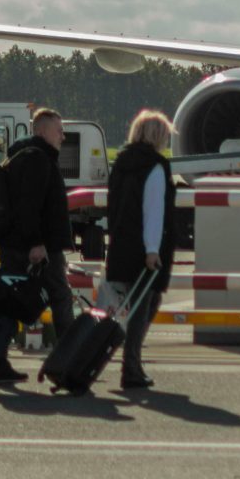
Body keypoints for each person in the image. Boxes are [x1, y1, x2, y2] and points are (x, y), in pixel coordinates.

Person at [0, 106, 78, 381]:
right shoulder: (38, 160)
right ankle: (67, 361)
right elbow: (29, 207)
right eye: (59, 130)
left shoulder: (22, 156)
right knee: (60, 297)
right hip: (38, 247)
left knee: (13, 301)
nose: (63, 136)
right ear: (42, 131)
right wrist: (36, 243)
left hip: (16, 244)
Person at [104, 107, 176, 391]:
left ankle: (125, 359)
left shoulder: (121, 163)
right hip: (145, 248)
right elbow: (154, 212)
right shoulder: (155, 166)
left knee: (137, 304)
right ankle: (131, 367)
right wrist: (152, 249)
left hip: (121, 244)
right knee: (143, 305)